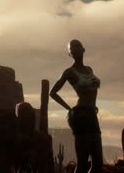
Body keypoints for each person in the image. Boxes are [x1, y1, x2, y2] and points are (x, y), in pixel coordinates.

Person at [50, 39, 103, 173]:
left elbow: (92, 92)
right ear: (70, 54)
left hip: (92, 114)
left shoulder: (89, 69)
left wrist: (94, 106)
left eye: (77, 46)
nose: (75, 49)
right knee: (82, 162)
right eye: (71, 48)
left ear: (83, 49)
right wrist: (69, 109)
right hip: (80, 116)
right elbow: (53, 93)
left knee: (98, 162)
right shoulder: (69, 72)